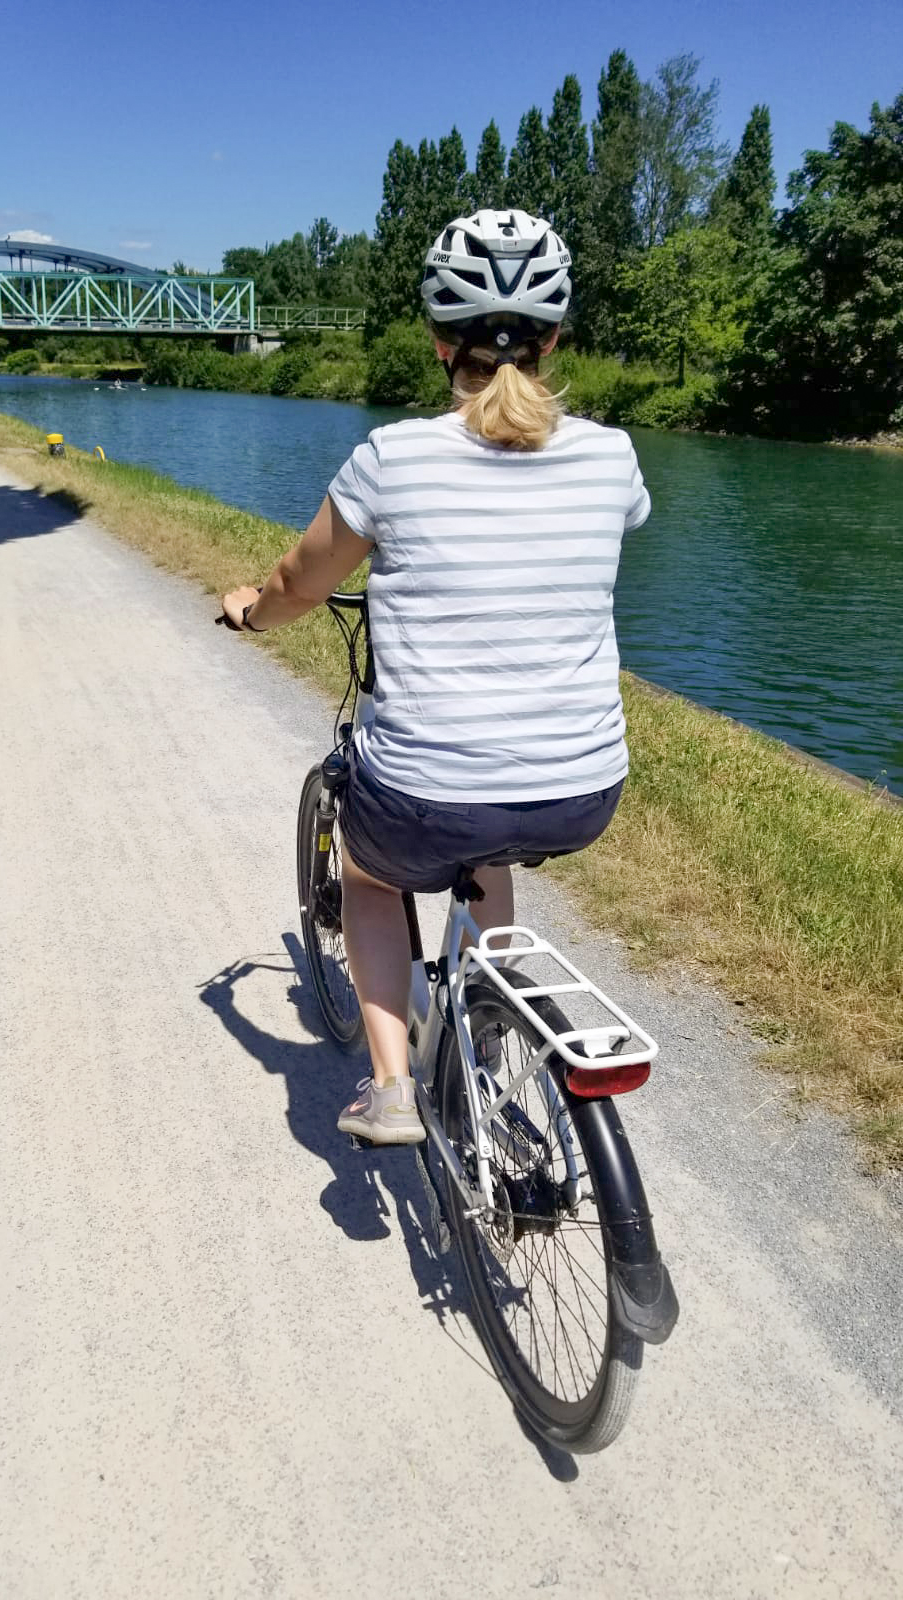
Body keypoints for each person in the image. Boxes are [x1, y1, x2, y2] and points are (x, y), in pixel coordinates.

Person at [220, 208, 650, 1145]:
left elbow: (301, 583)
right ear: (554, 337)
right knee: (484, 844)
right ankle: (485, 1038)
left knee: (375, 877)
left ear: (436, 339)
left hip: (429, 790)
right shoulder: (614, 456)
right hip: (583, 786)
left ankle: (390, 1087)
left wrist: (254, 608)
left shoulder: (394, 457)